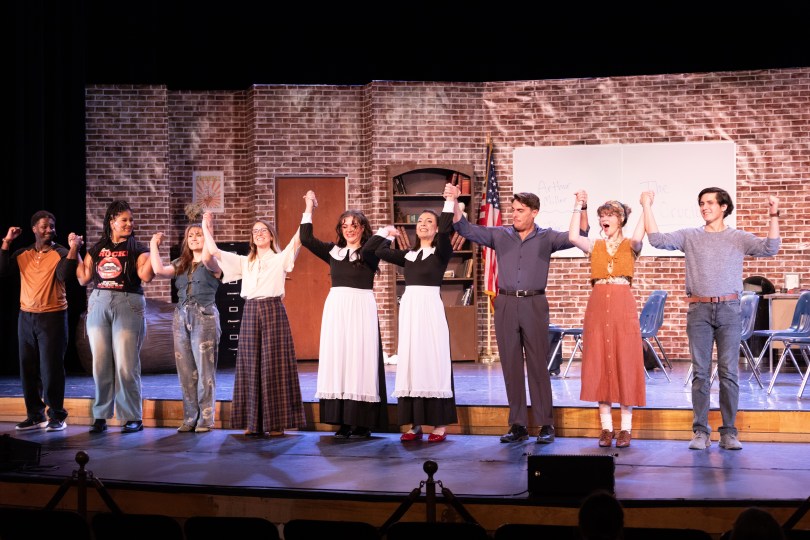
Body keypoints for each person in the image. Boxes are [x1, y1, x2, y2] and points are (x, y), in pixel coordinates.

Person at [447, 183, 589, 443]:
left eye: (520, 210)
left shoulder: (546, 237)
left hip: (534, 304)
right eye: (513, 210)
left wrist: (582, 206)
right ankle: (518, 425)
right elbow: (465, 228)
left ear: (534, 212)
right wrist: (455, 201)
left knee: (538, 366)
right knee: (511, 366)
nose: (515, 214)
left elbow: (579, 234)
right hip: (506, 304)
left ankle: (546, 424)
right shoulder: (500, 235)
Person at [643, 188, 780, 450]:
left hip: (729, 309)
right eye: (701, 203)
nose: (704, 207)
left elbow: (770, 248)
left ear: (724, 207)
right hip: (699, 311)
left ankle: (728, 432)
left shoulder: (738, 237)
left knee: (729, 373)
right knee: (700, 373)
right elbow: (657, 240)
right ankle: (700, 432)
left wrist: (774, 214)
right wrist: (647, 205)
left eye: (709, 203)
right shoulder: (690, 236)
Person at [201, 210, 305, 437]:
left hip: (273, 310)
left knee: (274, 365)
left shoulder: (280, 258)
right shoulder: (244, 261)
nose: (259, 234)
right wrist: (205, 225)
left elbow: (299, 239)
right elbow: (213, 251)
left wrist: (308, 209)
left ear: (271, 235)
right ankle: (252, 421)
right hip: (251, 311)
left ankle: (276, 423)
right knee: (249, 365)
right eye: (255, 231)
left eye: (263, 230)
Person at [299, 191, 388, 439]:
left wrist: (385, 231)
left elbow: (381, 242)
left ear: (362, 229)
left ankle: (362, 422)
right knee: (339, 359)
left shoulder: (370, 252)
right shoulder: (333, 252)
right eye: (345, 226)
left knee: (360, 360)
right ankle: (343, 421)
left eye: (354, 225)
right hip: (337, 308)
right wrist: (309, 206)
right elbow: (306, 238)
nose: (349, 230)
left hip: (361, 308)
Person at [368, 197, 457, 443]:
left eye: (429, 221)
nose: (423, 224)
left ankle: (439, 425)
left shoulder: (441, 253)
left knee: (432, 361)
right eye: (420, 221)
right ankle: (414, 424)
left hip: (430, 310)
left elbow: (447, 229)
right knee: (412, 362)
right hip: (410, 311)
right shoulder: (408, 255)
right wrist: (385, 233)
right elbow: (378, 251)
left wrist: (449, 201)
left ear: (436, 229)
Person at [567, 192, 646, 449]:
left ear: (620, 220)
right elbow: (573, 237)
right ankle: (606, 428)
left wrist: (646, 206)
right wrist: (578, 205)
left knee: (625, 361)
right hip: (598, 306)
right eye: (602, 216)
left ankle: (626, 429)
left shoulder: (631, 245)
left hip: (623, 306)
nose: (604, 219)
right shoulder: (595, 245)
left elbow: (639, 236)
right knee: (600, 362)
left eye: (609, 215)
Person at [77, 200, 155, 433]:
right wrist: (75, 251)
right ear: (112, 222)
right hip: (99, 301)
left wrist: (154, 249)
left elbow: (146, 276)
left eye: (131, 220)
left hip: (128, 302)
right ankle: (101, 415)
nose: (129, 224)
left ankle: (132, 416)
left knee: (126, 364)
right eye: (124, 220)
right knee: (100, 363)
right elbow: (83, 278)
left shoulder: (138, 249)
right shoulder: (97, 248)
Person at [0, 211, 81, 432]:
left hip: (53, 317)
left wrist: (74, 249)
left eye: (52, 226)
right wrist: (7, 242)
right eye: (44, 226)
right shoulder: (23, 253)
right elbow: (3, 270)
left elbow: (64, 276)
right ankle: (35, 415)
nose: (49, 230)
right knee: (27, 368)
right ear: (34, 229)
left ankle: (57, 415)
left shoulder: (60, 252)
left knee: (50, 369)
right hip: (26, 317)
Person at [150, 223, 222, 433]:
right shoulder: (181, 263)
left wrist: (208, 227)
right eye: (190, 235)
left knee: (204, 370)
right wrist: (154, 245)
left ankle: (206, 419)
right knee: (185, 371)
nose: (194, 238)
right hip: (181, 316)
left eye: (199, 235)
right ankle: (190, 417)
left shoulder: (213, 262)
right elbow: (159, 270)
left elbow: (207, 258)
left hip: (204, 316)